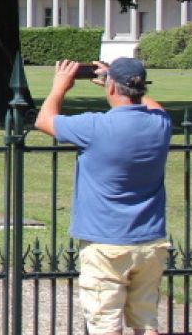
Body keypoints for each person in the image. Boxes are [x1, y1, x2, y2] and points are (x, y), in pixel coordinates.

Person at [35, 57, 171, 335]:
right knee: (146, 321)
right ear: (140, 87)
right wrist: (123, 82)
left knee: (105, 323)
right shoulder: (160, 125)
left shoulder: (95, 127)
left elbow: (44, 120)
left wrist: (59, 86)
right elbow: (157, 108)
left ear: (111, 88)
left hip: (105, 243)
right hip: (150, 241)